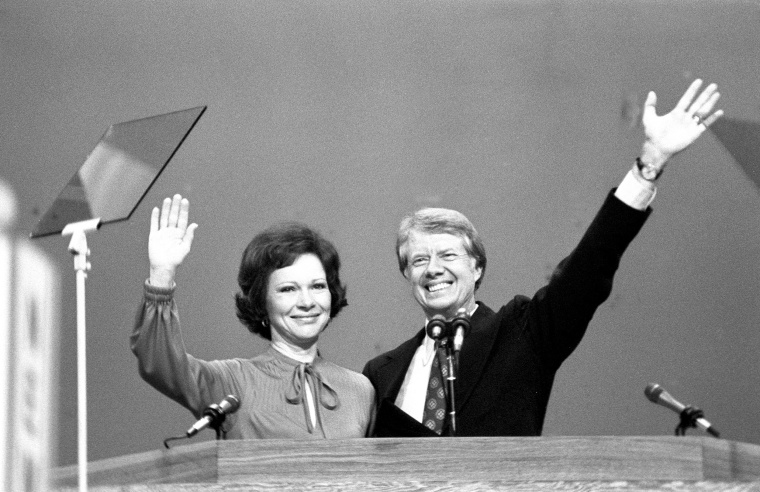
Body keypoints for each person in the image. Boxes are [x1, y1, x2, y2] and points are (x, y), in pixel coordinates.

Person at [362, 78, 724, 437]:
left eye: (448, 255)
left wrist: (650, 163)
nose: (434, 269)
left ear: (477, 267)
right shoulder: (380, 374)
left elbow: (586, 272)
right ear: (407, 275)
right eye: (419, 260)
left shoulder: (521, 334)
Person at [131, 195, 375, 439]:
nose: (307, 302)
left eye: (318, 286)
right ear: (262, 302)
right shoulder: (232, 383)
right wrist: (162, 273)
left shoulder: (360, 390)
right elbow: (159, 362)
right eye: (288, 289)